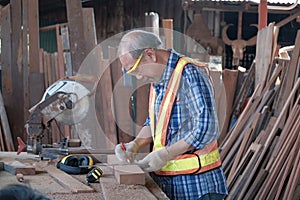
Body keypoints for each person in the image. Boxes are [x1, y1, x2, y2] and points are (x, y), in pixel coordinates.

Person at [115, 30, 228, 200]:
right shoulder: (158, 79)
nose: (138, 76)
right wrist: (135, 144)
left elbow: (207, 128)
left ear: (150, 54)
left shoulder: (189, 74)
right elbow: (155, 121)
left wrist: (165, 154)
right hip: (169, 183)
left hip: (197, 186)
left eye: (135, 69)